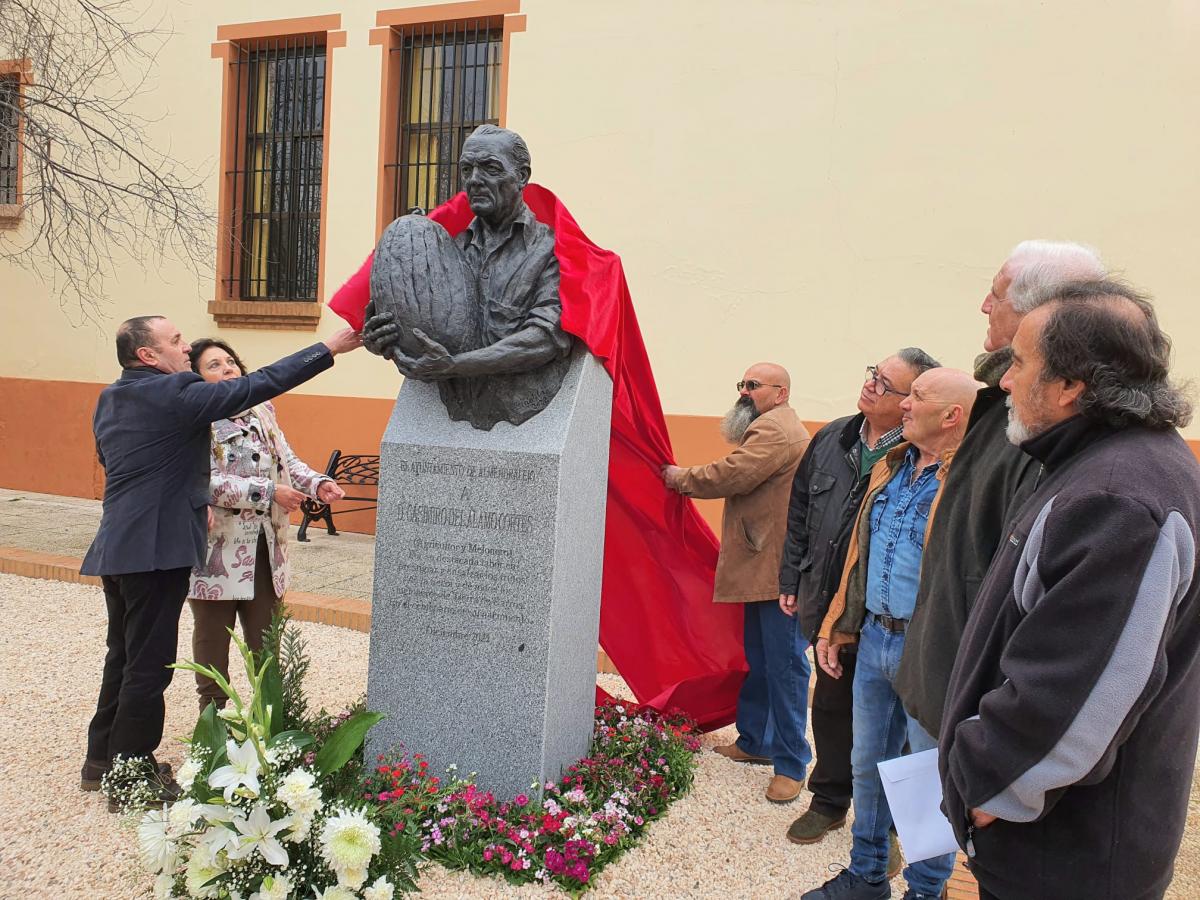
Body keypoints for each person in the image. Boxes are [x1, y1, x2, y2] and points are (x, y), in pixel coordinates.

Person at [940, 283, 1200, 900]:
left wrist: (989, 787)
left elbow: (1077, 687)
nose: (1004, 381)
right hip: (1064, 845)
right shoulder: (1114, 463)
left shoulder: (1118, 498)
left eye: (1021, 362)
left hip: (1067, 860)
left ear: (1070, 387)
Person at [80, 317, 361, 801]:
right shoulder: (176, 395)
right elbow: (263, 381)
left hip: (117, 544)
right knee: (150, 664)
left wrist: (187, 492)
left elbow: (118, 462)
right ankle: (131, 775)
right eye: (174, 341)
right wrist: (330, 346)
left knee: (122, 655)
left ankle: (99, 759)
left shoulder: (112, 397)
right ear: (147, 356)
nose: (184, 347)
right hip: (155, 549)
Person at [895, 240, 1105, 747]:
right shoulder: (1002, 408)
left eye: (995, 295)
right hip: (945, 680)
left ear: (1039, 312)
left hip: (974, 704)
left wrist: (996, 738)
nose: (984, 306)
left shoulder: (1047, 428)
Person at [802, 366, 980, 900]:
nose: (903, 404)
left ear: (951, 416)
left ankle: (927, 891)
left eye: (917, 396)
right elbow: (860, 557)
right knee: (867, 766)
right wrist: (838, 625)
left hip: (928, 650)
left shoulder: (967, 481)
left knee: (927, 778)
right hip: (875, 640)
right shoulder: (892, 466)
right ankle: (867, 875)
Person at [778, 349, 937, 849]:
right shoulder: (834, 436)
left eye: (887, 385)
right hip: (826, 601)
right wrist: (790, 576)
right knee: (829, 706)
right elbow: (801, 506)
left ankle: (892, 831)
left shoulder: (913, 455)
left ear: (911, 401)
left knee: (902, 729)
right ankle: (828, 801)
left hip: (882, 612)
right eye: (874, 374)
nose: (872, 386)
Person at [661, 364, 811, 802]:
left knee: (785, 667)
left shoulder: (774, 430)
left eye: (754, 386)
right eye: (742, 384)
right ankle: (755, 742)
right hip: (763, 566)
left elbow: (732, 473)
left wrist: (677, 478)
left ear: (780, 392)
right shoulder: (771, 424)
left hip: (775, 571)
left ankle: (791, 763)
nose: (744, 392)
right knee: (762, 661)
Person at [362, 124, 574, 429]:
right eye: (467, 169)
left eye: (490, 168)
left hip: (520, 402)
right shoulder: (448, 250)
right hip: (454, 403)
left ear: (522, 176)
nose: (474, 180)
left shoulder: (550, 251)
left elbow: (543, 339)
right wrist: (388, 341)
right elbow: (426, 331)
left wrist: (455, 366)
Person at [186, 339, 347, 711]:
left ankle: (270, 721)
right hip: (216, 550)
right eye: (213, 365)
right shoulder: (194, 420)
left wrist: (316, 483)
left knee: (266, 641)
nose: (227, 368)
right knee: (213, 640)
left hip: (266, 547)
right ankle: (212, 723)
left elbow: (286, 459)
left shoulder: (261, 409)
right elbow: (203, 483)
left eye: (230, 361)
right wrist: (269, 491)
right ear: (195, 379)